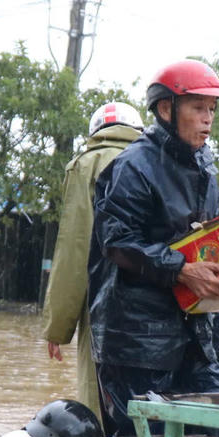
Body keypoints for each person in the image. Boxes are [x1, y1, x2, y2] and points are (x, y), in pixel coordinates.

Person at [88, 59, 219, 437]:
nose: (208, 119)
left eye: (212, 110)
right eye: (198, 108)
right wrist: (180, 269)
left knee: (210, 429)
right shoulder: (133, 168)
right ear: (166, 109)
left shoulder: (206, 170)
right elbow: (117, 242)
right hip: (134, 337)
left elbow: (211, 268)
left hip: (192, 333)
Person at [41, 102, 144, 419]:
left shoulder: (87, 165)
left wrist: (58, 327)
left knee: (101, 403)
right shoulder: (159, 161)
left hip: (105, 301)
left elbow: (75, 246)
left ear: (95, 132)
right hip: (164, 299)